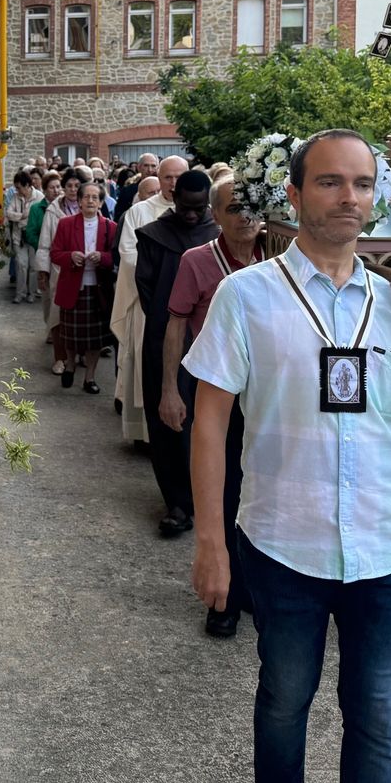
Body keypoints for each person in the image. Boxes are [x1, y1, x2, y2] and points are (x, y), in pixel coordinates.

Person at [186, 130, 391, 783]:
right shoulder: (245, 296)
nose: (350, 197)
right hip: (285, 543)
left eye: (363, 184)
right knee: (285, 696)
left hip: (389, 543)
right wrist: (211, 541)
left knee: (377, 713)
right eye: (330, 182)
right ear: (293, 192)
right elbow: (210, 423)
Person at [160, 173, 264, 637]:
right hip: (216, 391)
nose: (245, 216)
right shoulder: (197, 261)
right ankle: (223, 599)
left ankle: (258, 589)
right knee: (223, 491)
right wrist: (169, 390)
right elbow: (175, 325)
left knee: (262, 493)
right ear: (216, 216)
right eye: (234, 208)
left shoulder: (280, 256)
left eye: (251, 208)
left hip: (267, 395)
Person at [134, 170, 217, 537]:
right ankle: (178, 502)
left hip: (212, 338)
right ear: (174, 199)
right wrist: (170, 326)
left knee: (210, 419)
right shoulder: (154, 237)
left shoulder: (218, 234)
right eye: (186, 207)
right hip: (164, 335)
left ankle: (210, 497)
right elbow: (146, 287)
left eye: (199, 209)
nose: (192, 216)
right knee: (169, 418)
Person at [111, 158, 186, 442]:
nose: (173, 183)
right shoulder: (140, 212)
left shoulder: (193, 212)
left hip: (184, 307)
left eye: (179, 177)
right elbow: (128, 255)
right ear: (159, 177)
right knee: (146, 364)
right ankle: (144, 433)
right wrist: (162, 279)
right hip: (149, 303)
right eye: (167, 177)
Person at [49, 180, 117, 392]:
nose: (90, 201)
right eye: (86, 197)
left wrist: (102, 257)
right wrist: (71, 256)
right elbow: (55, 253)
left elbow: (115, 258)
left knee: (95, 339)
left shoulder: (110, 226)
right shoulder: (66, 224)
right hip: (72, 288)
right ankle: (69, 364)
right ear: (78, 200)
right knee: (70, 335)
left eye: (94, 197)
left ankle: (89, 378)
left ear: (101, 202)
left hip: (98, 290)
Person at [36, 170, 84, 371]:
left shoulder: (91, 207)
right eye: (69, 185)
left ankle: (80, 354)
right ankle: (60, 357)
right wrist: (42, 271)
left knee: (82, 317)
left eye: (76, 186)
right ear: (64, 187)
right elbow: (45, 243)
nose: (73, 190)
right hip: (59, 270)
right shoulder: (53, 211)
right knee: (58, 316)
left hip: (84, 271)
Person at [4, 169, 41, 303]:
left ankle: (31, 293)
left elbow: (38, 218)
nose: (17, 190)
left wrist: (23, 219)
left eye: (19, 187)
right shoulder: (15, 197)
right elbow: (8, 213)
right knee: (21, 265)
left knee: (33, 266)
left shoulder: (39, 197)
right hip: (19, 237)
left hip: (33, 236)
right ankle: (20, 293)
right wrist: (22, 216)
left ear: (26, 185)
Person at [114, 153, 160, 225]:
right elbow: (119, 217)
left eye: (153, 166)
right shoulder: (127, 191)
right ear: (139, 167)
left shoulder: (164, 189)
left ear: (158, 168)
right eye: (146, 165)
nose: (150, 170)